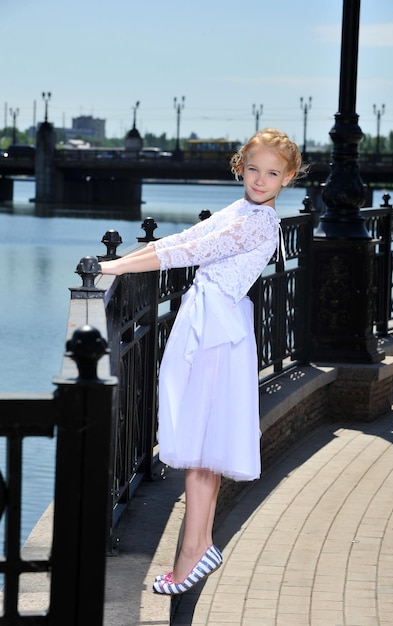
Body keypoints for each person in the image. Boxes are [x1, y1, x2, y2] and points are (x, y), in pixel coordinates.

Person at [99, 128, 302, 595]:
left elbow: (188, 253)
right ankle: (201, 544)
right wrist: (136, 256)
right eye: (253, 169)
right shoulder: (244, 210)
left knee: (201, 444)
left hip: (217, 332)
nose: (260, 179)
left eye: (272, 173)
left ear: (287, 177)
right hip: (212, 323)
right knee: (202, 444)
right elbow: (188, 236)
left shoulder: (258, 222)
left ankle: (194, 552)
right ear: (240, 166)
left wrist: (114, 267)